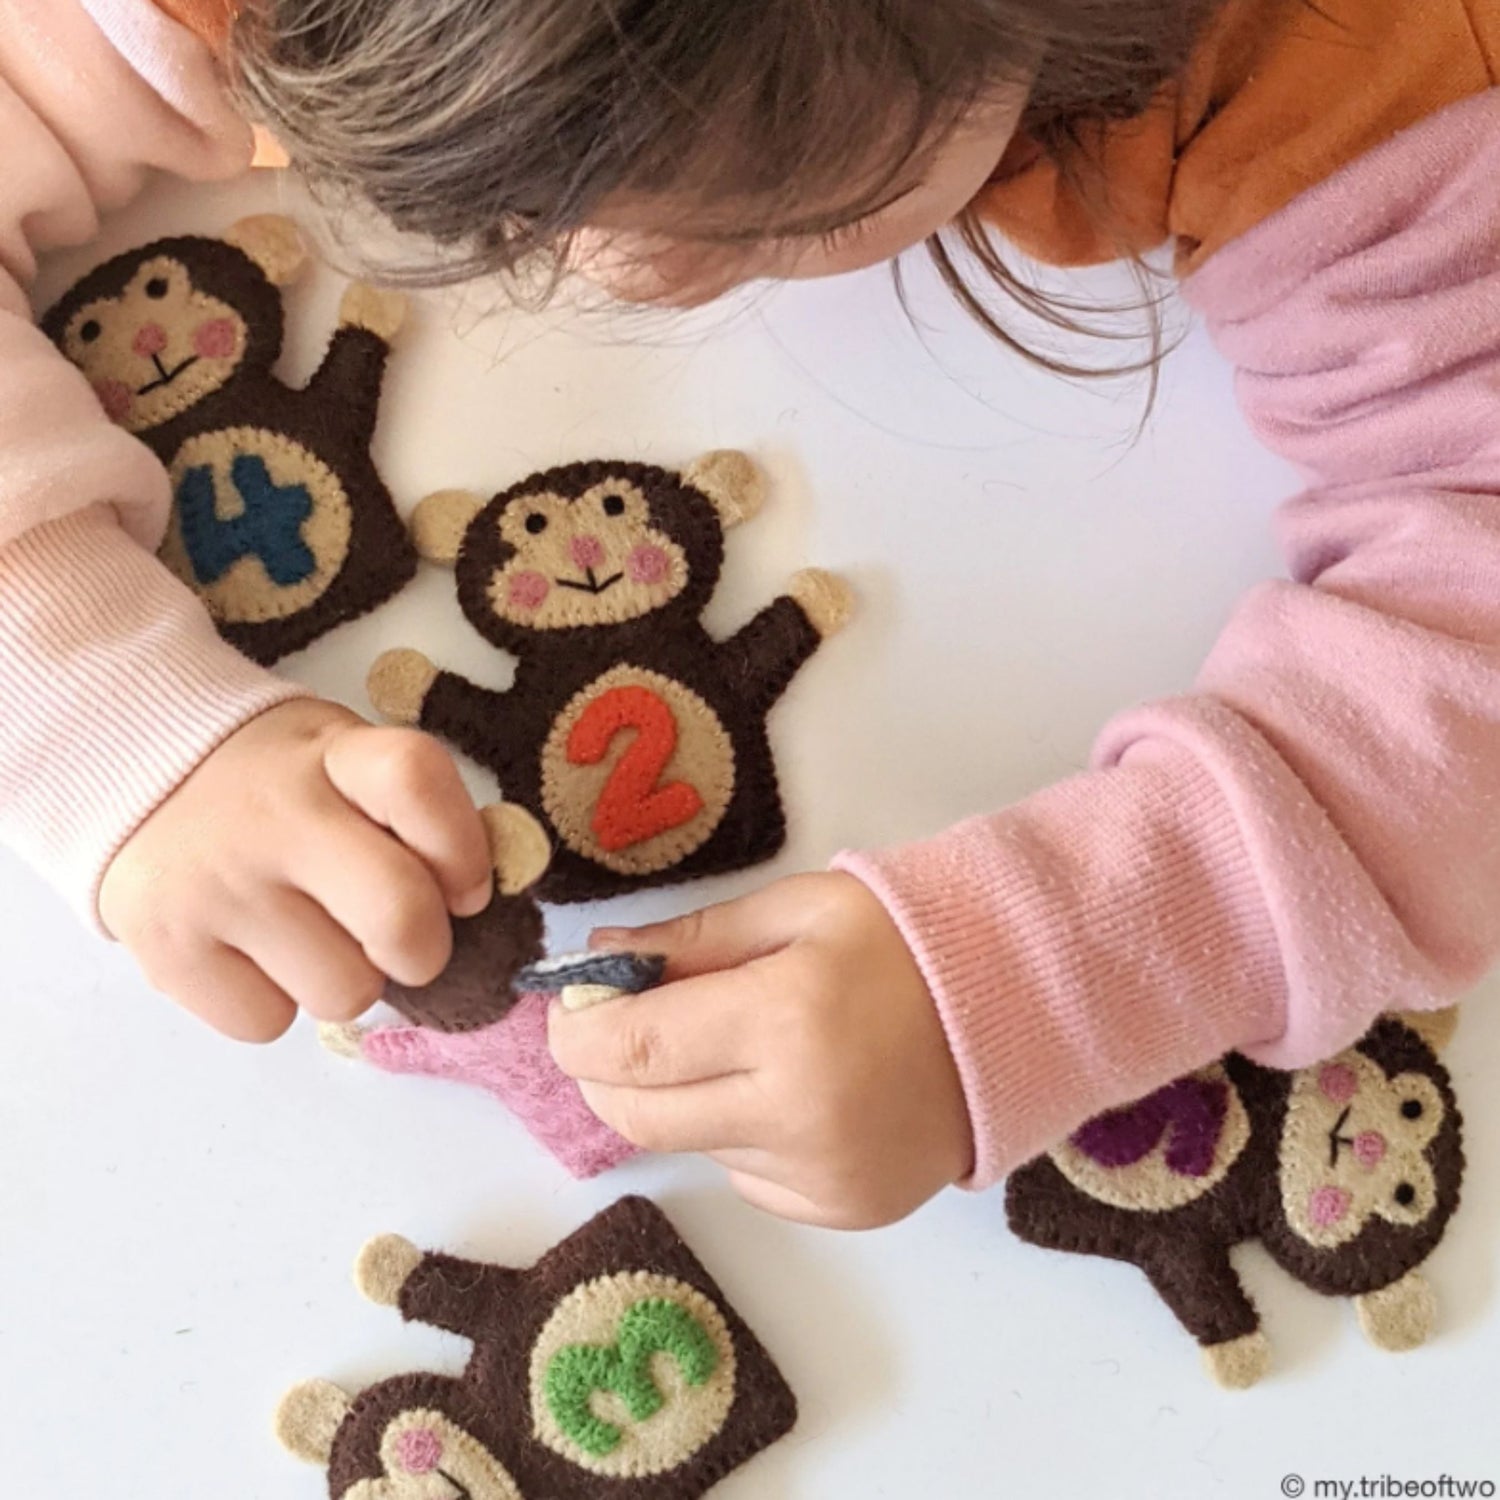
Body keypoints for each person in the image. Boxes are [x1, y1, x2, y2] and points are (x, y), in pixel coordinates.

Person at [4, 0, 1497, 1228]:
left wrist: (1051, 969)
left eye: (774, 214)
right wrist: (104, 720)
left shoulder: (1374, 49)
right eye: (513, 205)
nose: (614, 273)